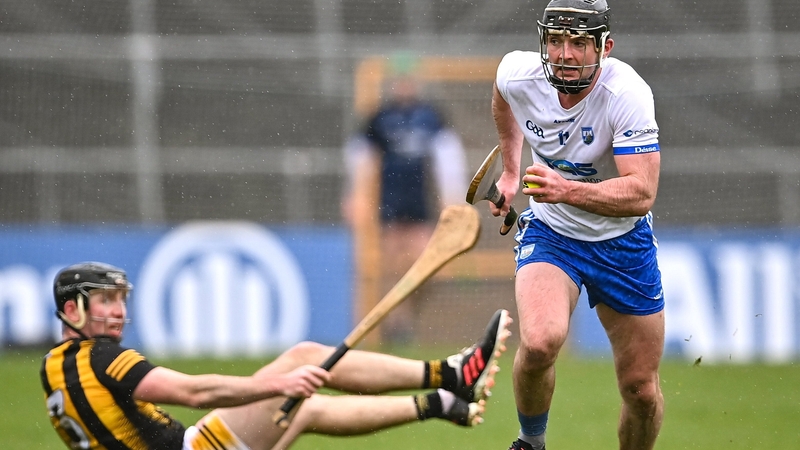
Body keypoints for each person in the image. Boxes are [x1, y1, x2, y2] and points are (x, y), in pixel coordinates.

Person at [40, 261, 512, 450]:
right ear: (71, 308)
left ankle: (440, 403)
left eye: (122, 299)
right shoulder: (100, 357)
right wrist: (276, 385)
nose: (119, 311)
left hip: (189, 443)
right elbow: (193, 391)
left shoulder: (52, 370)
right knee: (300, 361)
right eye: (106, 301)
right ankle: (449, 373)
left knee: (304, 410)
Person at [488, 1, 664, 449]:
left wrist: (566, 189)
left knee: (641, 390)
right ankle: (532, 443)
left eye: (579, 42)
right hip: (553, 234)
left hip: (622, 243)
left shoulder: (627, 94)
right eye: (555, 40)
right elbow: (501, 96)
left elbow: (641, 192)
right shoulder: (517, 73)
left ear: (605, 47)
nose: (564, 53)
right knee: (541, 342)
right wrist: (511, 171)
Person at [341, 55, 468, 344]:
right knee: (393, 265)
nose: (404, 87)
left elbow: (448, 160)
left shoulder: (431, 116)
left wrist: (453, 198)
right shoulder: (380, 117)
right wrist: (355, 195)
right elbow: (360, 156)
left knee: (427, 266)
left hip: (419, 201)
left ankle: (404, 315)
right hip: (389, 203)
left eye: (409, 81)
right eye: (400, 81)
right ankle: (397, 324)